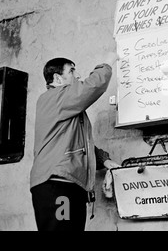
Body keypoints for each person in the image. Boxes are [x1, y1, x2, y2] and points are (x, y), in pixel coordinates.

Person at [30, 54, 121, 231]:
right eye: (72, 71)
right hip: (57, 185)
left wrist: (105, 161)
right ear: (57, 78)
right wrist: (107, 63)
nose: (77, 75)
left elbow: (81, 144)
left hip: (69, 185)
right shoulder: (54, 98)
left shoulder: (65, 106)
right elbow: (91, 86)